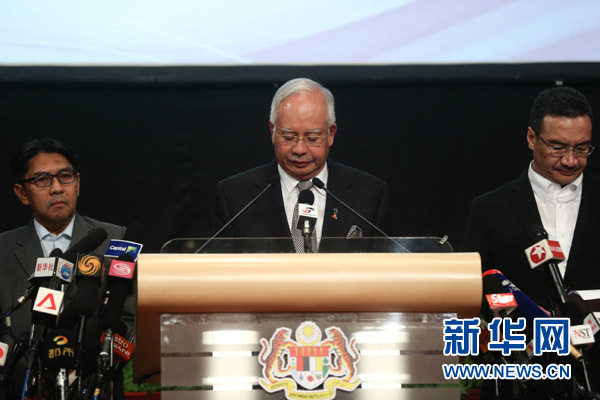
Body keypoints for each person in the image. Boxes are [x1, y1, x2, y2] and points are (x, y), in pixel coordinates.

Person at [462, 87, 599, 398]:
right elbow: (473, 290)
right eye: (557, 147)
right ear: (531, 138)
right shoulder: (490, 208)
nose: (571, 160)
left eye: (582, 148)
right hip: (518, 377)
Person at [0, 138, 127, 399]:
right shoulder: (2, 249)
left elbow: (129, 317)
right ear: (22, 193)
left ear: (77, 183)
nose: (57, 188)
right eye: (42, 180)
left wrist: (94, 362)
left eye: (65, 176)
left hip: (96, 388)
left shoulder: (116, 240)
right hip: (20, 388)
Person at [209, 78, 391, 252]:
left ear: (331, 134)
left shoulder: (369, 193)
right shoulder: (235, 196)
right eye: (289, 137)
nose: (300, 149)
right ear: (273, 131)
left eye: (312, 138)